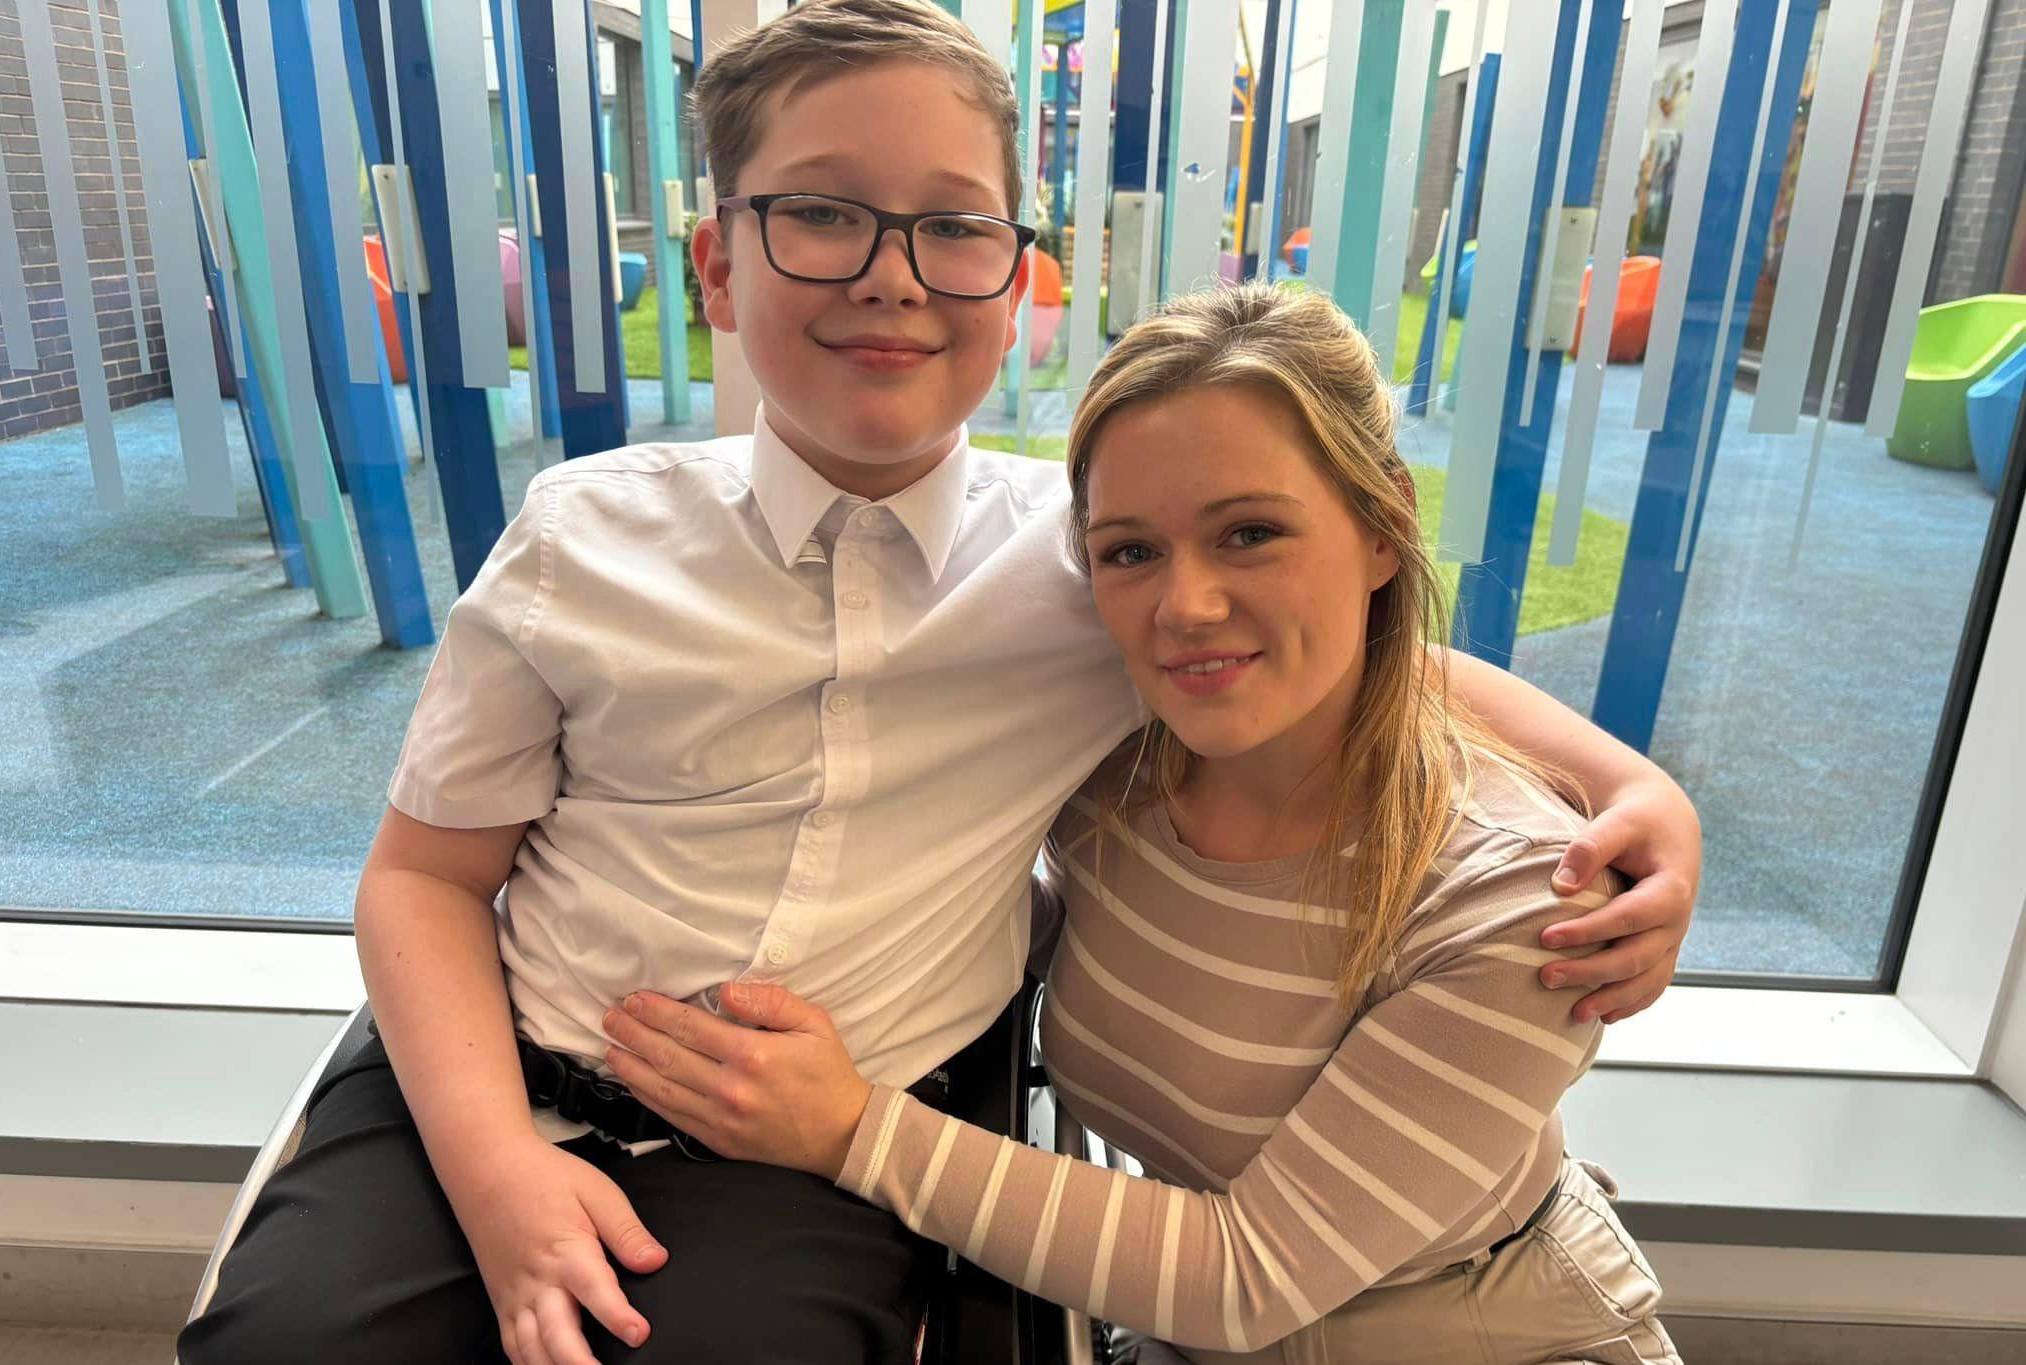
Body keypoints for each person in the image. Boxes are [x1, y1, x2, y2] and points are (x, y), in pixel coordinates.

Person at [176, 5, 1699, 1363]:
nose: (891, 278)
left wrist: (1636, 793)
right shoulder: (586, 537)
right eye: (822, 213)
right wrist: (498, 1167)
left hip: (817, 1147)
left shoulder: (1084, 562)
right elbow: (425, 877)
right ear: (717, 261)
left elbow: (1345, 645)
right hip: (502, 1063)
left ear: (1016, 274)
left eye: (952, 227)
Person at [601, 283, 1681, 1364]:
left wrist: (845, 1127)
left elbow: (1248, 1277)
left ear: (1382, 526)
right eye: (1129, 551)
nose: (1185, 609)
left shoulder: (1521, 907)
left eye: (1249, 533)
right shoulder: (1120, 760)